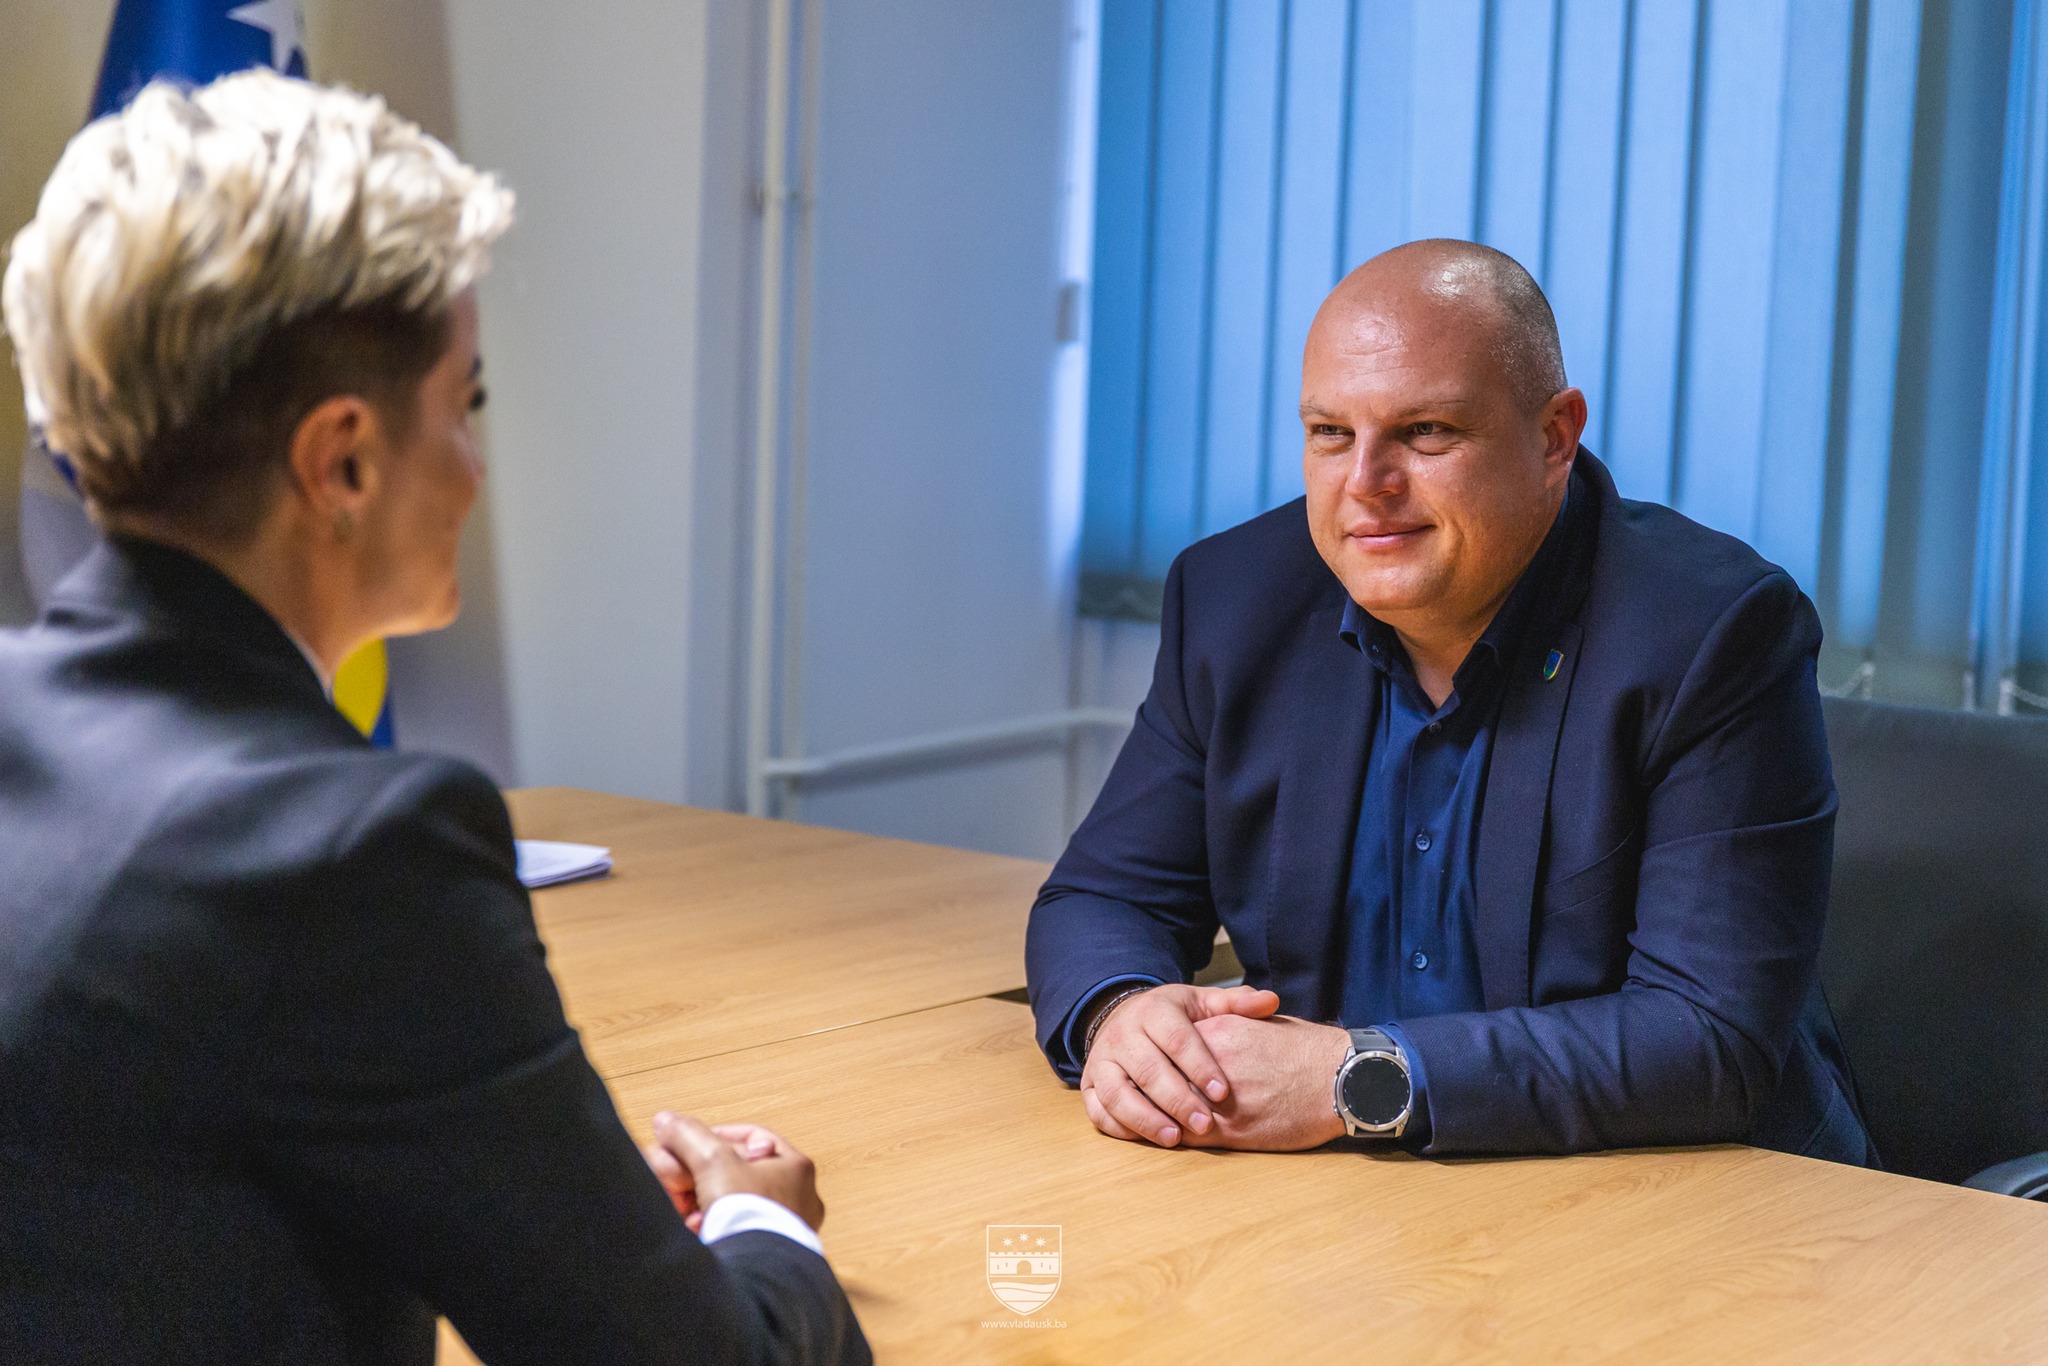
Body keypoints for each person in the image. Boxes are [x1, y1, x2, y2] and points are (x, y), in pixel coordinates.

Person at [0, 71, 869, 1365]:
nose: (475, 462)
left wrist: (523, 1176)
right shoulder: (347, 850)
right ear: (342, 459)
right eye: (467, 402)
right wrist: (765, 1225)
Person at [1027, 239, 1873, 1166]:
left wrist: (1354, 1079)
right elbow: (1103, 896)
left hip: (1689, 1195)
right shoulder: (1235, 601)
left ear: (1554, 438)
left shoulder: (1712, 631)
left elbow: (1707, 1040)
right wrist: (1125, 1016)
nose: (1366, 485)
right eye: (1330, 433)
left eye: (1425, 432)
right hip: (1353, 1203)